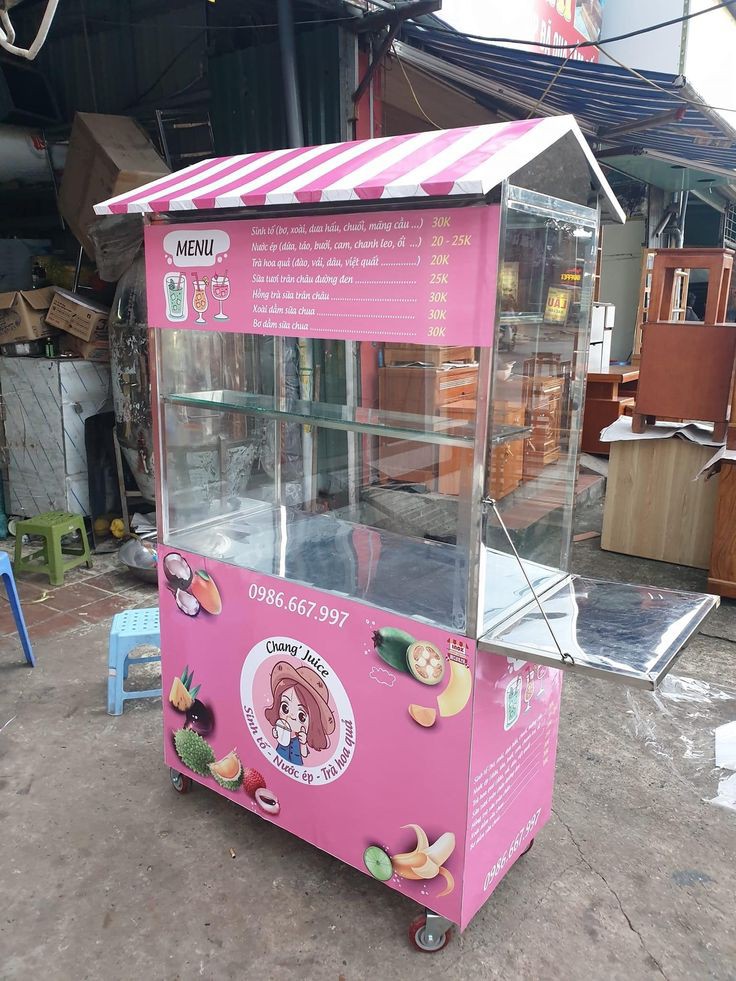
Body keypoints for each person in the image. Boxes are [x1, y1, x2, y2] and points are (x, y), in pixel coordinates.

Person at [265, 660, 335, 765]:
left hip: (296, 763)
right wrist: (276, 733)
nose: (291, 716)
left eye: (301, 716)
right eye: (285, 707)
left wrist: (303, 744)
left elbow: (304, 754)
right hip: (279, 755)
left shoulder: (300, 739)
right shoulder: (281, 727)